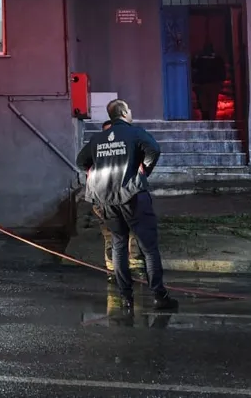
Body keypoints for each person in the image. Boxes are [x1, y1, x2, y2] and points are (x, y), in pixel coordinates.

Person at [76, 99, 178, 311]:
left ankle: (126, 298)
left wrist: (95, 172)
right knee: (148, 248)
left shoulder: (99, 138)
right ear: (123, 113)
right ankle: (160, 296)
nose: (130, 112)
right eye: (129, 109)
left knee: (119, 245)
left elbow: (80, 161)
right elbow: (154, 150)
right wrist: (144, 169)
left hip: (108, 199)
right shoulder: (134, 133)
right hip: (133, 196)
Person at [91, 119, 147, 284]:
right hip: (106, 201)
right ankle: (114, 271)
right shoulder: (100, 152)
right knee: (112, 236)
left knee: (133, 235)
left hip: (127, 199)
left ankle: (135, 270)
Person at [191, 43, 226, 120]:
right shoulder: (218, 59)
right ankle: (211, 119)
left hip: (203, 84)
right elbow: (222, 72)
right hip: (213, 84)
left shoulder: (199, 60)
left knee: (204, 104)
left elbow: (194, 69)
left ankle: (206, 118)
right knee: (212, 104)